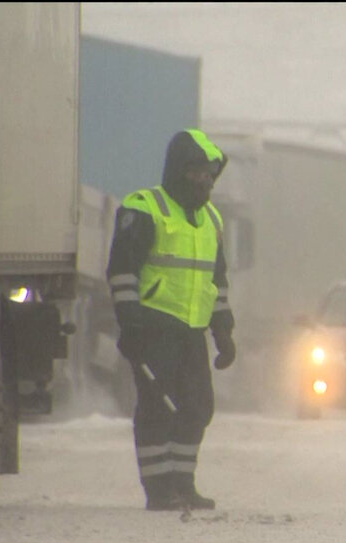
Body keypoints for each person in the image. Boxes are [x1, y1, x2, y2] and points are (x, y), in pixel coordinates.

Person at [106, 129, 236, 510]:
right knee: (157, 409)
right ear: (179, 170)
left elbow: (217, 280)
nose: (205, 181)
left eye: (211, 175)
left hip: (191, 331)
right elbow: (122, 272)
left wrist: (224, 331)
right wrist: (130, 325)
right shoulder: (145, 208)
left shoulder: (211, 218)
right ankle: (159, 490)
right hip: (153, 328)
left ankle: (183, 483)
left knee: (197, 408)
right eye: (198, 172)